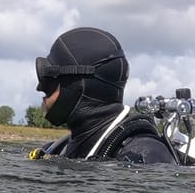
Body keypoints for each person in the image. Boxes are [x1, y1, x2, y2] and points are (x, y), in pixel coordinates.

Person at [31, 27, 179, 164]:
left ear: (77, 85)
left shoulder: (145, 154)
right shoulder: (57, 149)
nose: (40, 88)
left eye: (48, 80)